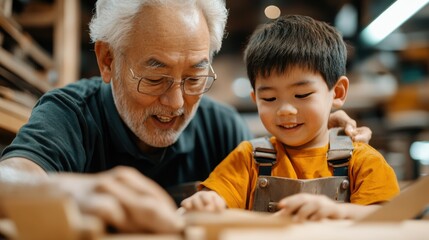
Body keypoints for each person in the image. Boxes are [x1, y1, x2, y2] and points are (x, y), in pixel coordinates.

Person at [0, 1, 371, 233]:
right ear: (107, 60)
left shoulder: (220, 127)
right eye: (155, 77)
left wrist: (316, 136)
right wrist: (68, 191)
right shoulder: (71, 115)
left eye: (195, 78)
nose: (176, 102)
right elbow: (9, 177)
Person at [180, 15, 400, 221]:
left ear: (338, 92)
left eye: (301, 95)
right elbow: (216, 201)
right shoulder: (247, 159)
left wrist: (336, 211)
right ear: (255, 98)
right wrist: (207, 202)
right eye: (269, 98)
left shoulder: (362, 161)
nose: (285, 110)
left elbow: (391, 217)